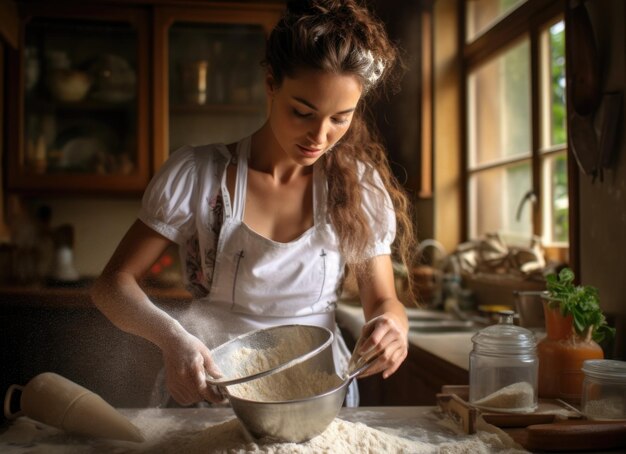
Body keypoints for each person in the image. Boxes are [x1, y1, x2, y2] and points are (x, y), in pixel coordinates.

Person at [91, 0, 417, 408]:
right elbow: (111, 286)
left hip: (318, 397)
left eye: (340, 118)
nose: (319, 135)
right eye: (302, 112)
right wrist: (172, 338)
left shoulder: (356, 188)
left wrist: (393, 326)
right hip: (211, 390)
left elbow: (383, 302)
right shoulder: (200, 174)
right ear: (270, 84)